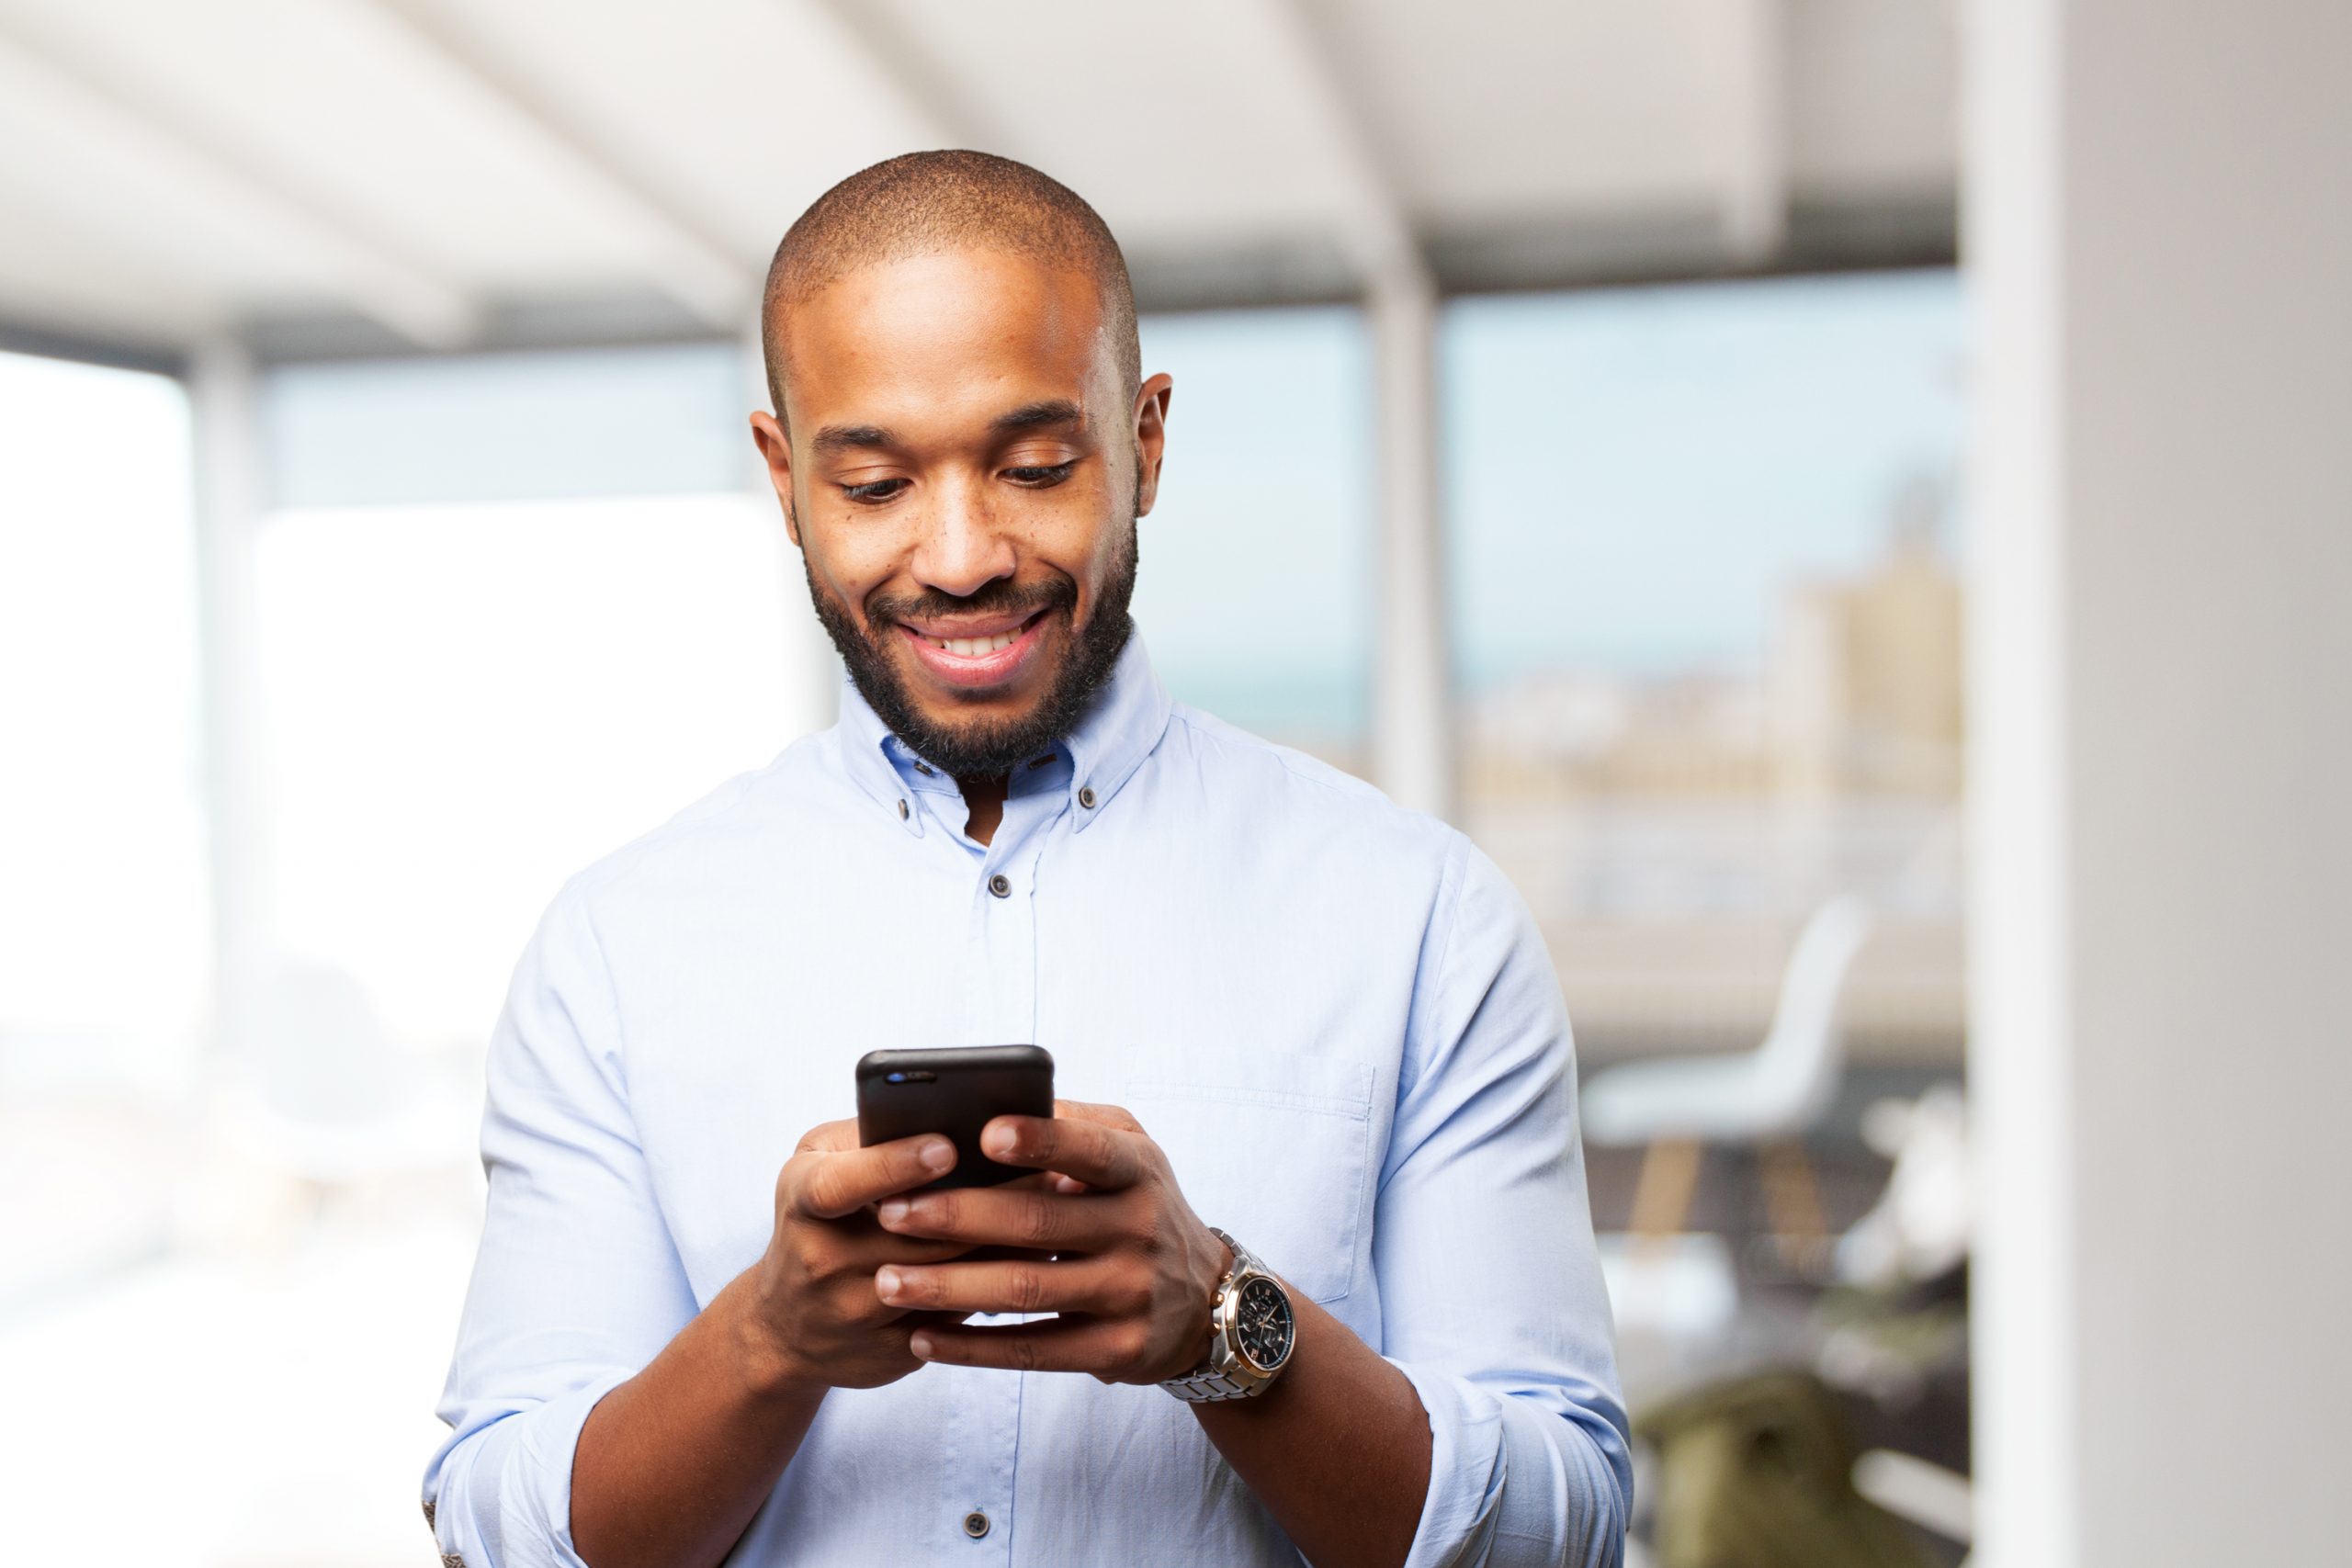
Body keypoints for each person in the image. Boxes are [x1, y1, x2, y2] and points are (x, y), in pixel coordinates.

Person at [424, 150, 1628, 1568]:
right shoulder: (617, 947)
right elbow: (499, 1530)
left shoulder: (1421, 918)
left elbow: (1570, 1532)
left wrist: (1225, 1329)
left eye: (1036, 466)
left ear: (1148, 444)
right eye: (873, 482)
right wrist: (767, 1341)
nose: (959, 556)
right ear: (784, 477)